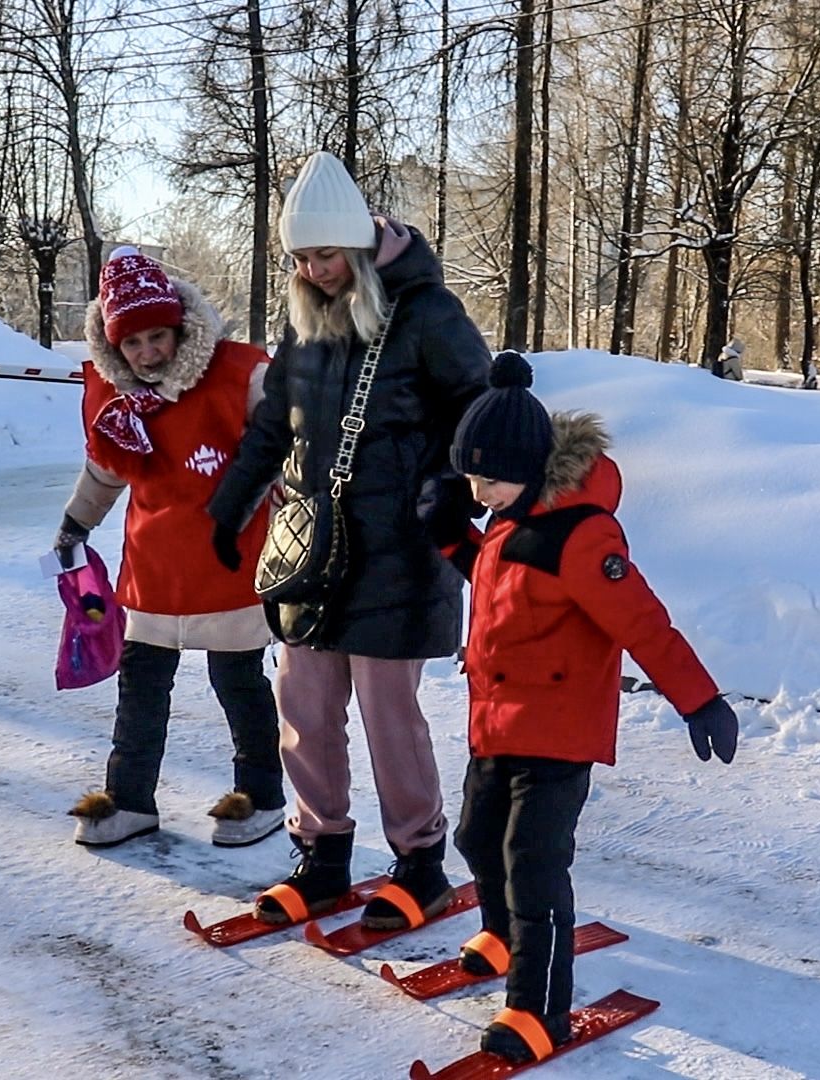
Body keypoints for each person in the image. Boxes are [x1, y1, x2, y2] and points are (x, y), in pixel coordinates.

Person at [207, 150, 490, 930]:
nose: (313, 270)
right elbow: (273, 426)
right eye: (300, 257)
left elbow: (478, 411)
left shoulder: (429, 314)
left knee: (386, 714)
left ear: (361, 247)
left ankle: (420, 863)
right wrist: (227, 510)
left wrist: (449, 489)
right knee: (302, 701)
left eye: (325, 254)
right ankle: (322, 854)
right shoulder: (303, 325)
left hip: (399, 546)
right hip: (312, 546)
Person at [444, 351, 739, 1065]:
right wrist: (453, 538)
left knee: (533, 866)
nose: (477, 491)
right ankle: (499, 931)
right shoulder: (509, 524)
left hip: (557, 733)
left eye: (488, 478)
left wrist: (698, 699)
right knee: (477, 840)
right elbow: (502, 587)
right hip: (496, 723)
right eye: (470, 479)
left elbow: (641, 622)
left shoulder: (581, 536)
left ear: (529, 468)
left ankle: (537, 1008)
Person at [60, 246, 286, 849]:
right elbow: (106, 471)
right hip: (154, 571)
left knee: (238, 685)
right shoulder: (121, 402)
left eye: (156, 338)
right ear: (114, 348)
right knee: (140, 690)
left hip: (228, 564)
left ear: (179, 328)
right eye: (131, 345)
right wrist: (75, 523)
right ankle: (130, 797)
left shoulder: (238, 376)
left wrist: (295, 482)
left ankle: (260, 795)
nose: (146, 353)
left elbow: (285, 438)